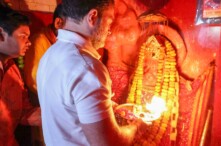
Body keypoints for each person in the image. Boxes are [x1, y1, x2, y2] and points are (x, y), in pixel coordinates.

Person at [37, 0, 143, 145]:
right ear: (92, 17)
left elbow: (70, 104)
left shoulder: (50, 53)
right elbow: (108, 143)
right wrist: (134, 128)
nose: (109, 30)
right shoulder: (87, 68)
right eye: (109, 21)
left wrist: (111, 107)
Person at [0, 5, 41, 146]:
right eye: (23, 36)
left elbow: (24, 111)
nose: (29, 43)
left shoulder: (12, 69)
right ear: (1, 35)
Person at [23, 4, 64, 95]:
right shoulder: (39, 41)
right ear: (58, 23)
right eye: (73, 27)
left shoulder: (62, 43)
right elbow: (34, 82)